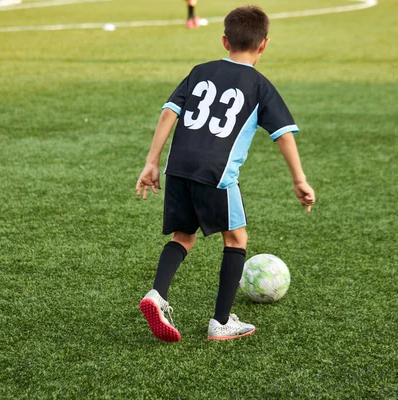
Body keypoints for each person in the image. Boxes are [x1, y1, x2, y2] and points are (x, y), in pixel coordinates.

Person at [135, 5, 315, 342]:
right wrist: (299, 180)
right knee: (236, 239)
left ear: (224, 40)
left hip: (178, 167)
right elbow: (283, 135)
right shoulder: (260, 86)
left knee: (183, 236)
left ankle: (157, 294)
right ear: (264, 45)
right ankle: (220, 322)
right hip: (216, 173)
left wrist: (151, 162)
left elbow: (168, 114)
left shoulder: (200, 70)